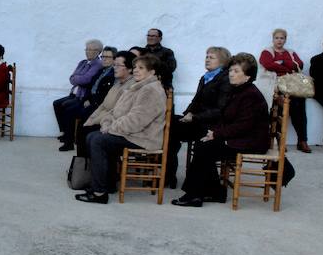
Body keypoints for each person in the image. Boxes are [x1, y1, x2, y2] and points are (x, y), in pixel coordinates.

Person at [172, 53, 270, 207]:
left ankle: (194, 195)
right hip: (238, 136)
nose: (231, 74)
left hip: (250, 141)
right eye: (231, 70)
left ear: (248, 76)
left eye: (236, 71)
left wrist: (217, 134)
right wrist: (213, 132)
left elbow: (244, 126)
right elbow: (227, 118)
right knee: (202, 139)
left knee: (205, 147)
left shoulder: (250, 95)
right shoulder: (238, 90)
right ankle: (214, 192)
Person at [76, 54, 167, 204]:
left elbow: (137, 120)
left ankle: (99, 193)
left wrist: (111, 128)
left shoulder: (150, 90)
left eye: (141, 68)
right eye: (135, 67)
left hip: (142, 137)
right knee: (94, 136)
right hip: (131, 133)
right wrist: (106, 123)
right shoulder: (137, 87)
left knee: (98, 140)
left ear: (152, 72)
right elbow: (116, 111)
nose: (136, 71)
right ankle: (107, 185)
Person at [165, 47, 233, 189]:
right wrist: (187, 114)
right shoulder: (206, 77)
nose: (207, 59)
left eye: (212, 57)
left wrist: (194, 117)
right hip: (198, 120)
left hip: (211, 125)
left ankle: (173, 177)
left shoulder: (225, 79)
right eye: (206, 56)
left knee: (172, 130)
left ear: (222, 61)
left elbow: (220, 110)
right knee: (169, 125)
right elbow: (195, 101)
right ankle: (169, 174)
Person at [54, 45, 116, 152]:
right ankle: (69, 140)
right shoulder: (101, 71)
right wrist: (87, 99)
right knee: (67, 108)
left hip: (99, 105)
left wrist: (91, 101)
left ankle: (72, 142)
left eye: (108, 57)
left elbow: (103, 93)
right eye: (103, 56)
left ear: (114, 59)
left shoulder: (113, 73)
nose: (104, 59)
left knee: (73, 111)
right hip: (88, 99)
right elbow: (91, 86)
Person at [259, 29, 310, 152]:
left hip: (291, 83)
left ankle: (302, 140)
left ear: (285, 39)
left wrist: (281, 62)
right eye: (277, 38)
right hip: (275, 84)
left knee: (300, 107)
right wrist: (288, 65)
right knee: (279, 108)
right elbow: (268, 64)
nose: (279, 40)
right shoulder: (267, 51)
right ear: (273, 39)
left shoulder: (290, 52)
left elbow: (299, 65)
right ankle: (279, 141)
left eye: (282, 38)